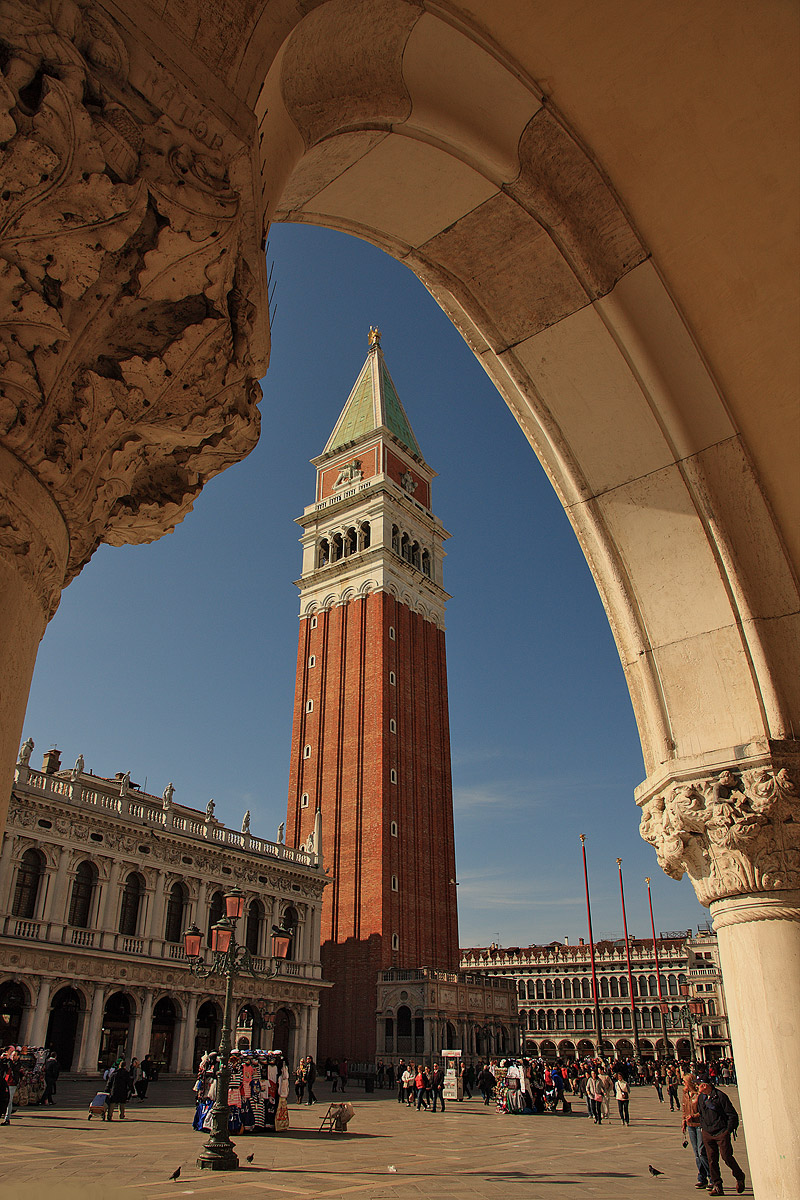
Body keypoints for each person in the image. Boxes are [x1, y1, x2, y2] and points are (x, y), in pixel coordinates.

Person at [697, 1079, 745, 1196]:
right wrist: (703, 1128)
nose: (697, 1087)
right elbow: (701, 1113)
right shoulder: (701, 1098)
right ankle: (717, 1185)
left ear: (704, 1085)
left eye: (698, 1085)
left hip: (721, 1132)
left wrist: (727, 1131)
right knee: (712, 1160)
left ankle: (739, 1176)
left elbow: (732, 1115)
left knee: (726, 1156)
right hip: (708, 1132)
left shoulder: (720, 1096)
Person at [682, 1073, 710, 1190]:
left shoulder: (699, 1095)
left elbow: (703, 1111)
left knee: (701, 1151)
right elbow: (684, 1109)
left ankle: (711, 1176)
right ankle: (702, 1178)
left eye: (684, 1082)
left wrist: (693, 1116)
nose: (683, 1084)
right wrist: (684, 1121)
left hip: (699, 1125)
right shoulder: (685, 1094)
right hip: (690, 1125)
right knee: (696, 1153)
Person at [1, 1049, 20, 1123]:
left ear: (18, 1057)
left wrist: (10, 1060)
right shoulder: (8, 1062)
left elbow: (14, 1068)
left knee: (9, 1101)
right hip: (4, 1082)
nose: (13, 1056)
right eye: (12, 1055)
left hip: (12, 1084)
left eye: (14, 1055)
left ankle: (7, 1118)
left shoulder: (17, 1064)